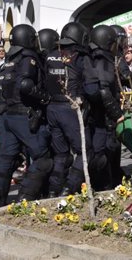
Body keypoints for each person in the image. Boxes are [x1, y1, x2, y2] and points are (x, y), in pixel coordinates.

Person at [0, 24, 52, 207]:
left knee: (6, 158)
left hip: (7, 115)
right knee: (43, 159)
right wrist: (45, 98)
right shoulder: (27, 58)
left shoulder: (9, 61)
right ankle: (25, 199)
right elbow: (25, 84)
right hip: (23, 115)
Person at [45, 22, 93, 196]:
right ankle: (69, 188)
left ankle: (53, 190)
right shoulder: (80, 57)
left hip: (52, 108)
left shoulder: (50, 55)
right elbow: (91, 87)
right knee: (85, 151)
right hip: (71, 107)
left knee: (61, 154)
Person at [84, 25, 124, 190]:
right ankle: (106, 186)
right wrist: (117, 113)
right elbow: (104, 90)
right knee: (105, 152)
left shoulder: (92, 57)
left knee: (105, 151)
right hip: (104, 117)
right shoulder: (103, 59)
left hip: (96, 115)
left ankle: (112, 180)